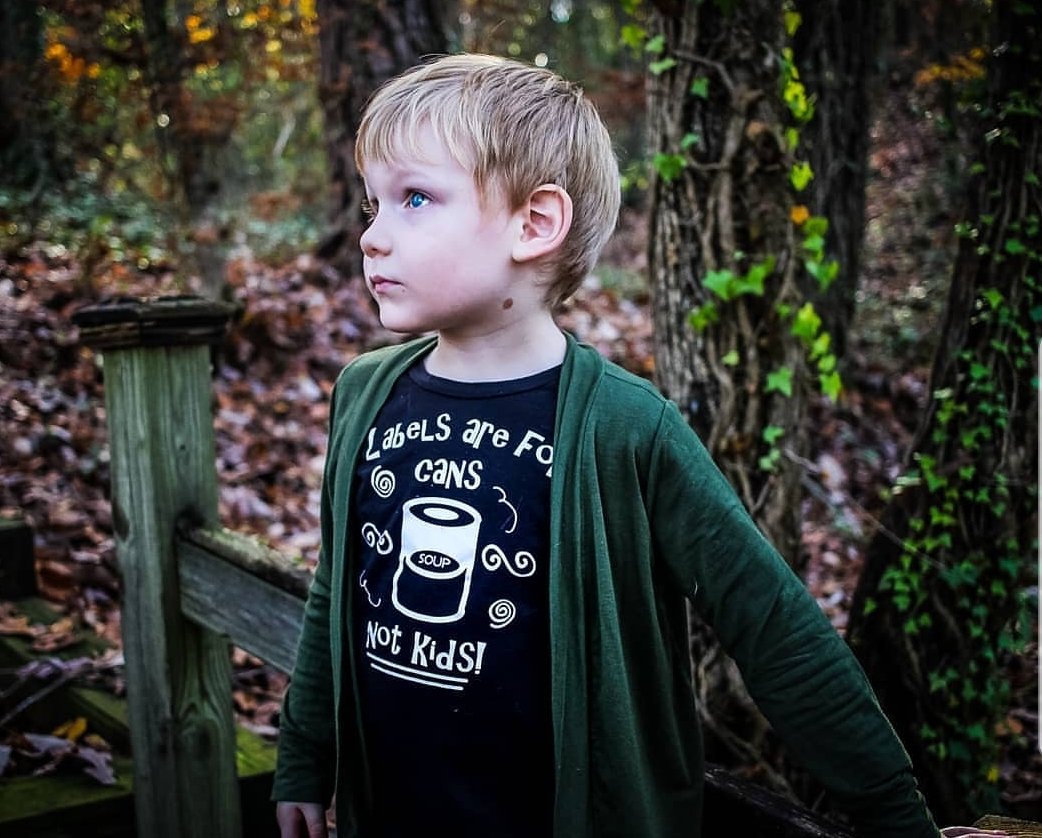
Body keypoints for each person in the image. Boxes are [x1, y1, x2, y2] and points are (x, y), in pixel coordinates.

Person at [272, 54, 1007, 838]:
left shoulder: (625, 427)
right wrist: (305, 757)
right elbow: (336, 591)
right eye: (373, 203)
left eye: (414, 198)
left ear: (534, 224)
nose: (372, 237)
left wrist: (896, 817)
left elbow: (771, 624)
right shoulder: (365, 394)